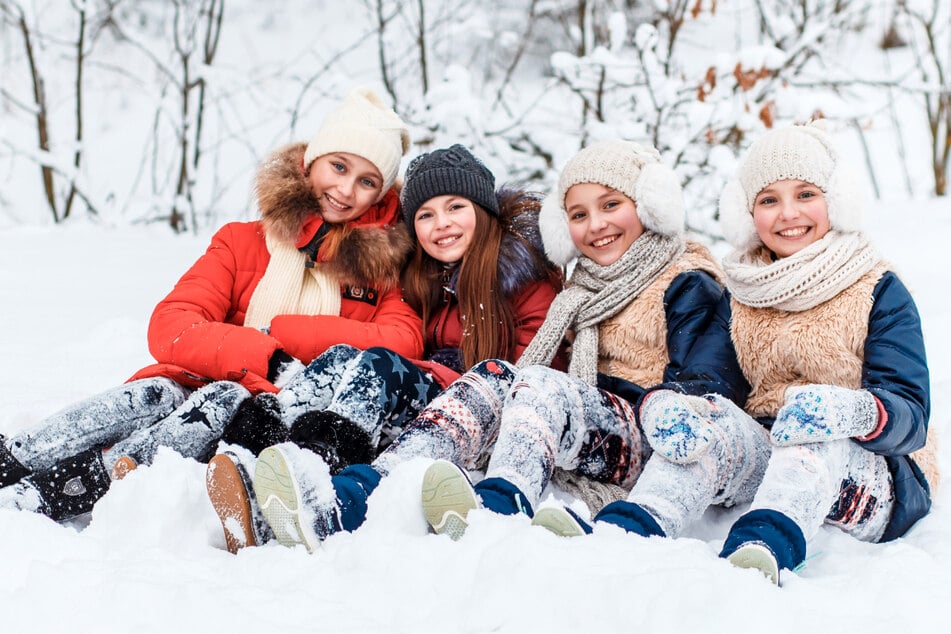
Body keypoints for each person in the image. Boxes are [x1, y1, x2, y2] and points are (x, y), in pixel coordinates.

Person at [246, 139, 726, 553]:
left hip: (623, 428)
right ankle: (303, 482)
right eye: (579, 214)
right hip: (517, 411)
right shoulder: (577, 286)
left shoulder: (674, 280)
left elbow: (692, 387)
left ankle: (383, 500)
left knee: (497, 375)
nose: (596, 225)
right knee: (359, 364)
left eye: (455, 207)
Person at [535, 121, 938, 585]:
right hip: (770, 450)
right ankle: (634, 525)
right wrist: (674, 402)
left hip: (874, 472)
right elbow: (711, 378)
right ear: (748, 214)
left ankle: (763, 546)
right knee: (709, 423)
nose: (788, 213)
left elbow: (909, 411)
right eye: (769, 200)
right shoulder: (745, 291)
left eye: (806, 194)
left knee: (815, 437)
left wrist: (849, 412)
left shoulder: (878, 288)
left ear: (837, 200)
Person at [0, 86, 423, 523]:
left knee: (220, 400)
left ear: (381, 196)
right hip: (196, 380)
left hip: (267, 415)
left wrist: (282, 337)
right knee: (151, 395)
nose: (345, 189)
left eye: (367, 181)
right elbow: (171, 325)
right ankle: (13, 456)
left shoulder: (383, 274)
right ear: (310, 162)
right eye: (338, 166)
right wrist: (265, 356)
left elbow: (403, 340)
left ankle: (46, 497)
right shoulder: (241, 241)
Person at [208, 143, 563, 552]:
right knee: (342, 358)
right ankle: (259, 458)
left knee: (379, 365)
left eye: (455, 208)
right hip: (435, 399)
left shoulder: (525, 280)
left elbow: (529, 375)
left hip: (485, 417)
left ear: (483, 210)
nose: (441, 224)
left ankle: (312, 473)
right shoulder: (426, 279)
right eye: (426, 215)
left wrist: (426, 372)